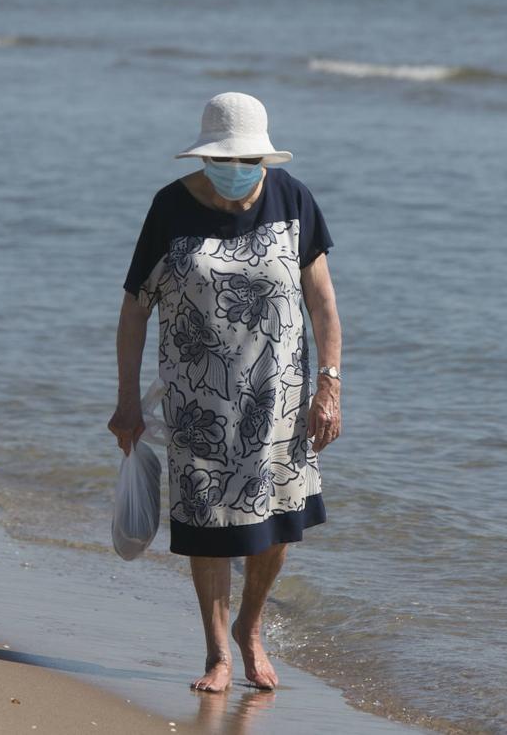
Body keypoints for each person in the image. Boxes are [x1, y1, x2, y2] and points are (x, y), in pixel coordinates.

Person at [109, 92, 342, 693]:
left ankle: (250, 629)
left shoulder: (293, 198)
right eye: (226, 158)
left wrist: (329, 386)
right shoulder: (170, 208)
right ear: (206, 156)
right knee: (208, 527)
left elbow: (322, 301)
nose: (237, 169)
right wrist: (127, 400)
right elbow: (135, 310)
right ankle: (217, 654)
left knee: (278, 524)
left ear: (264, 156)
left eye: (248, 159)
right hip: (199, 404)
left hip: (281, 398)